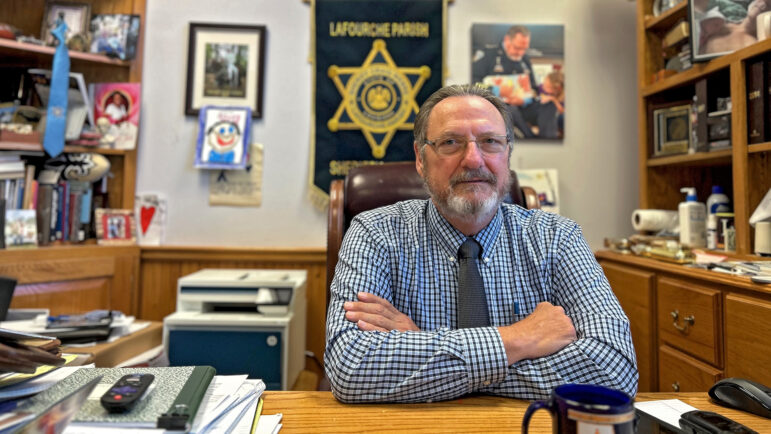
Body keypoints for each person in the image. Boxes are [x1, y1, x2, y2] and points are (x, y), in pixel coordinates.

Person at [324, 84, 638, 403]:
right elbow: (350, 368)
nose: (473, 160)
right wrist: (519, 339)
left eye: (490, 142)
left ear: (507, 153)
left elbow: (615, 371)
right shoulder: (375, 233)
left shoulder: (558, 238)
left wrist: (426, 349)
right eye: (450, 142)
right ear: (420, 159)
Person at [472, 26, 561, 139]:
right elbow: (473, 83)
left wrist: (525, 100)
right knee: (509, 110)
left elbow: (533, 88)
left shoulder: (525, 60)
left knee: (549, 105)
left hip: (523, 105)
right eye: (517, 48)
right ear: (507, 40)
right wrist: (496, 90)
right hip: (497, 107)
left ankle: (547, 143)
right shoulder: (488, 55)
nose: (520, 53)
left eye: (524, 49)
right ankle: (532, 139)